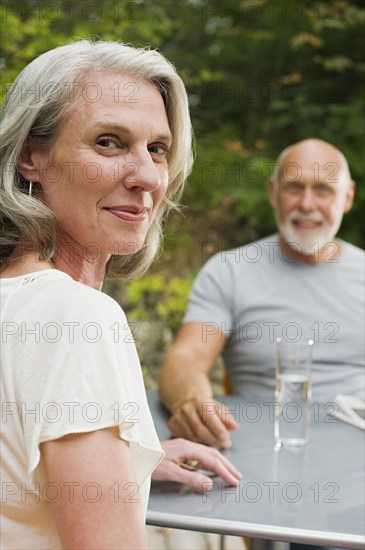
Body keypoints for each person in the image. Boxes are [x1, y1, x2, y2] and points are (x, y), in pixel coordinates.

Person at [0, 40, 241, 550]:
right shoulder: (78, 319)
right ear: (29, 157)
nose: (149, 177)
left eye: (157, 148)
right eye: (109, 142)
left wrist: (131, 464)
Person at [159, 138, 364, 450]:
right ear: (273, 193)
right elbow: (186, 358)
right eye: (294, 188)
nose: (307, 204)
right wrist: (193, 402)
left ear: (347, 197)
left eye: (323, 189)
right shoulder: (229, 272)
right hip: (256, 453)